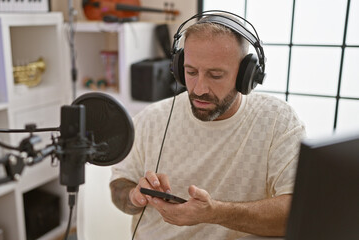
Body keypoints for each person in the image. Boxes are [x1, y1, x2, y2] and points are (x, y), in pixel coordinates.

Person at [110, 11, 305, 240]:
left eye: (215, 75)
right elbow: (119, 187)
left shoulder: (278, 121)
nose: (200, 88)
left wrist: (215, 213)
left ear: (246, 75)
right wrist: (136, 195)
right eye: (191, 72)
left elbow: (296, 215)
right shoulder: (150, 119)